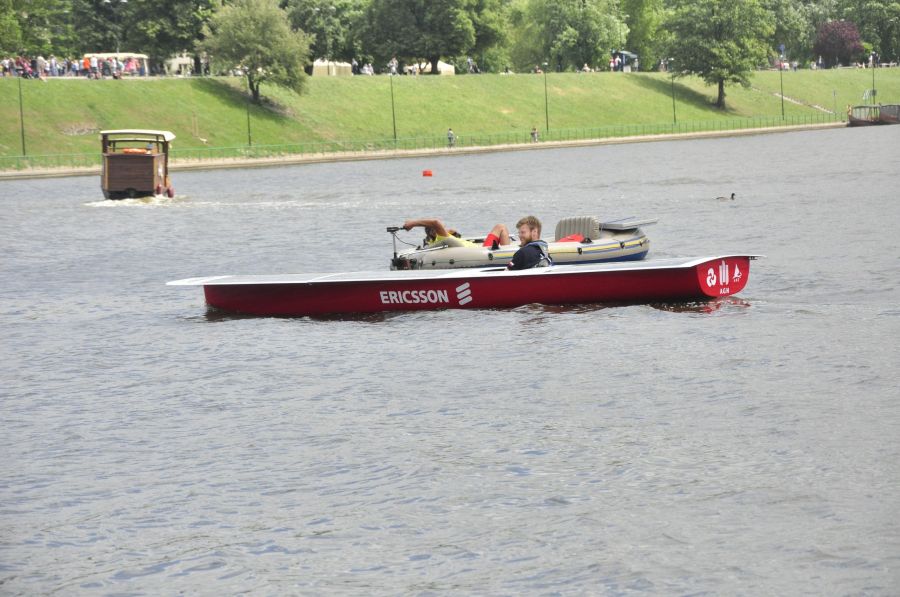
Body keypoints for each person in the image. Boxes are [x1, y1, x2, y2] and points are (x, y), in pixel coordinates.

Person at [403, 218, 510, 250]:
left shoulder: (435, 239)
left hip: (482, 248)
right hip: (484, 251)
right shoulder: (441, 237)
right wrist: (412, 223)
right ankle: (507, 253)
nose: (444, 227)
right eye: (442, 227)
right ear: (434, 231)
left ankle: (506, 251)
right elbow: (435, 222)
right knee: (501, 227)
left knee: (500, 227)